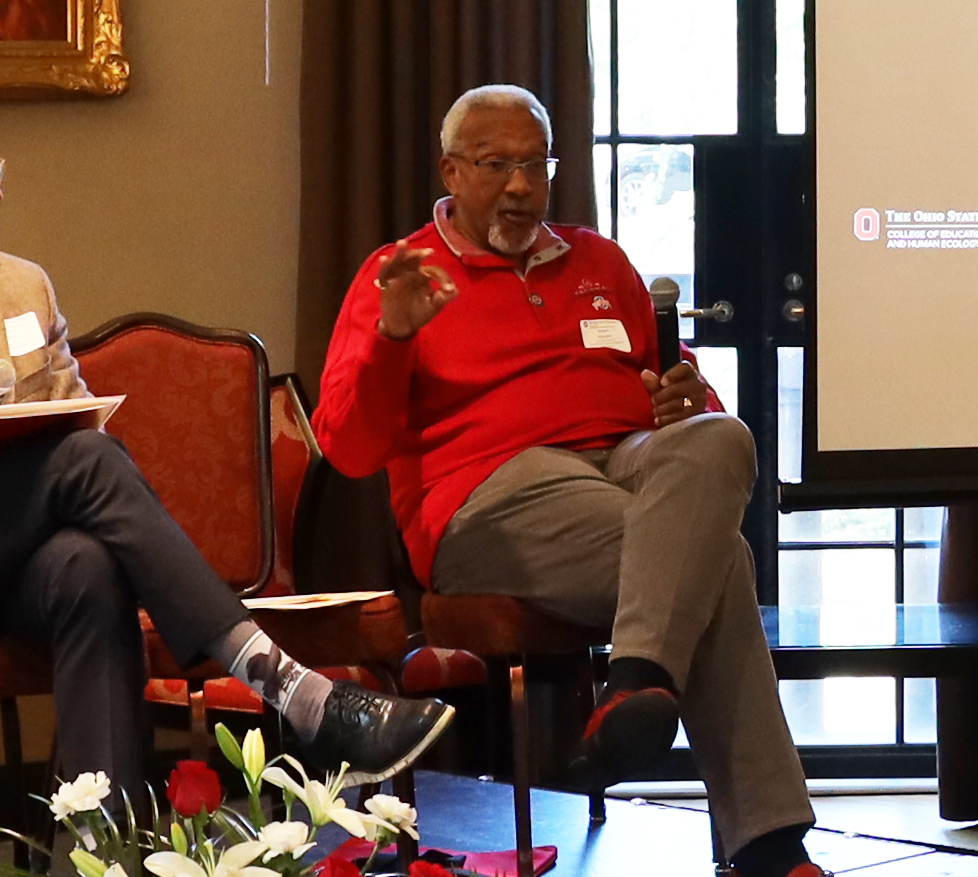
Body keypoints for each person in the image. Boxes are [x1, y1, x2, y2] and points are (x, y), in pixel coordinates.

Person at [0, 83, 452, 794]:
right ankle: (291, 690)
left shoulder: (20, 287)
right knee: (85, 461)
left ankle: (101, 843)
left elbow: (72, 426)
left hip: (6, 559)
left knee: (87, 566)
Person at [316, 85, 823, 877]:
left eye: (535, 165)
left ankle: (636, 682)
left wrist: (687, 398)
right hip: (489, 495)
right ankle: (769, 845)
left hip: (627, 462)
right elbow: (347, 448)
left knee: (723, 437)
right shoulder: (401, 273)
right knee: (719, 559)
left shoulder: (600, 261)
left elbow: (684, 402)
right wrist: (392, 338)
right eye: (496, 165)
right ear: (451, 170)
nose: (519, 186)